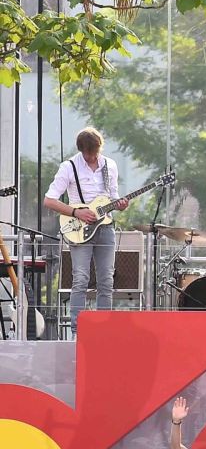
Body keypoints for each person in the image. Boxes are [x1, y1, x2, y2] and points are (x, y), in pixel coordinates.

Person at [43, 127, 129, 332]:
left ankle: (104, 329)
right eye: (88, 153)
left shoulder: (110, 165)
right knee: (80, 279)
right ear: (81, 150)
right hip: (79, 229)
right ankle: (78, 330)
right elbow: (49, 200)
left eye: (95, 152)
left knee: (106, 280)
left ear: (100, 148)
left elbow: (113, 196)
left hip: (105, 227)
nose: (92, 157)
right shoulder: (69, 167)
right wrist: (76, 212)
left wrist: (121, 204)